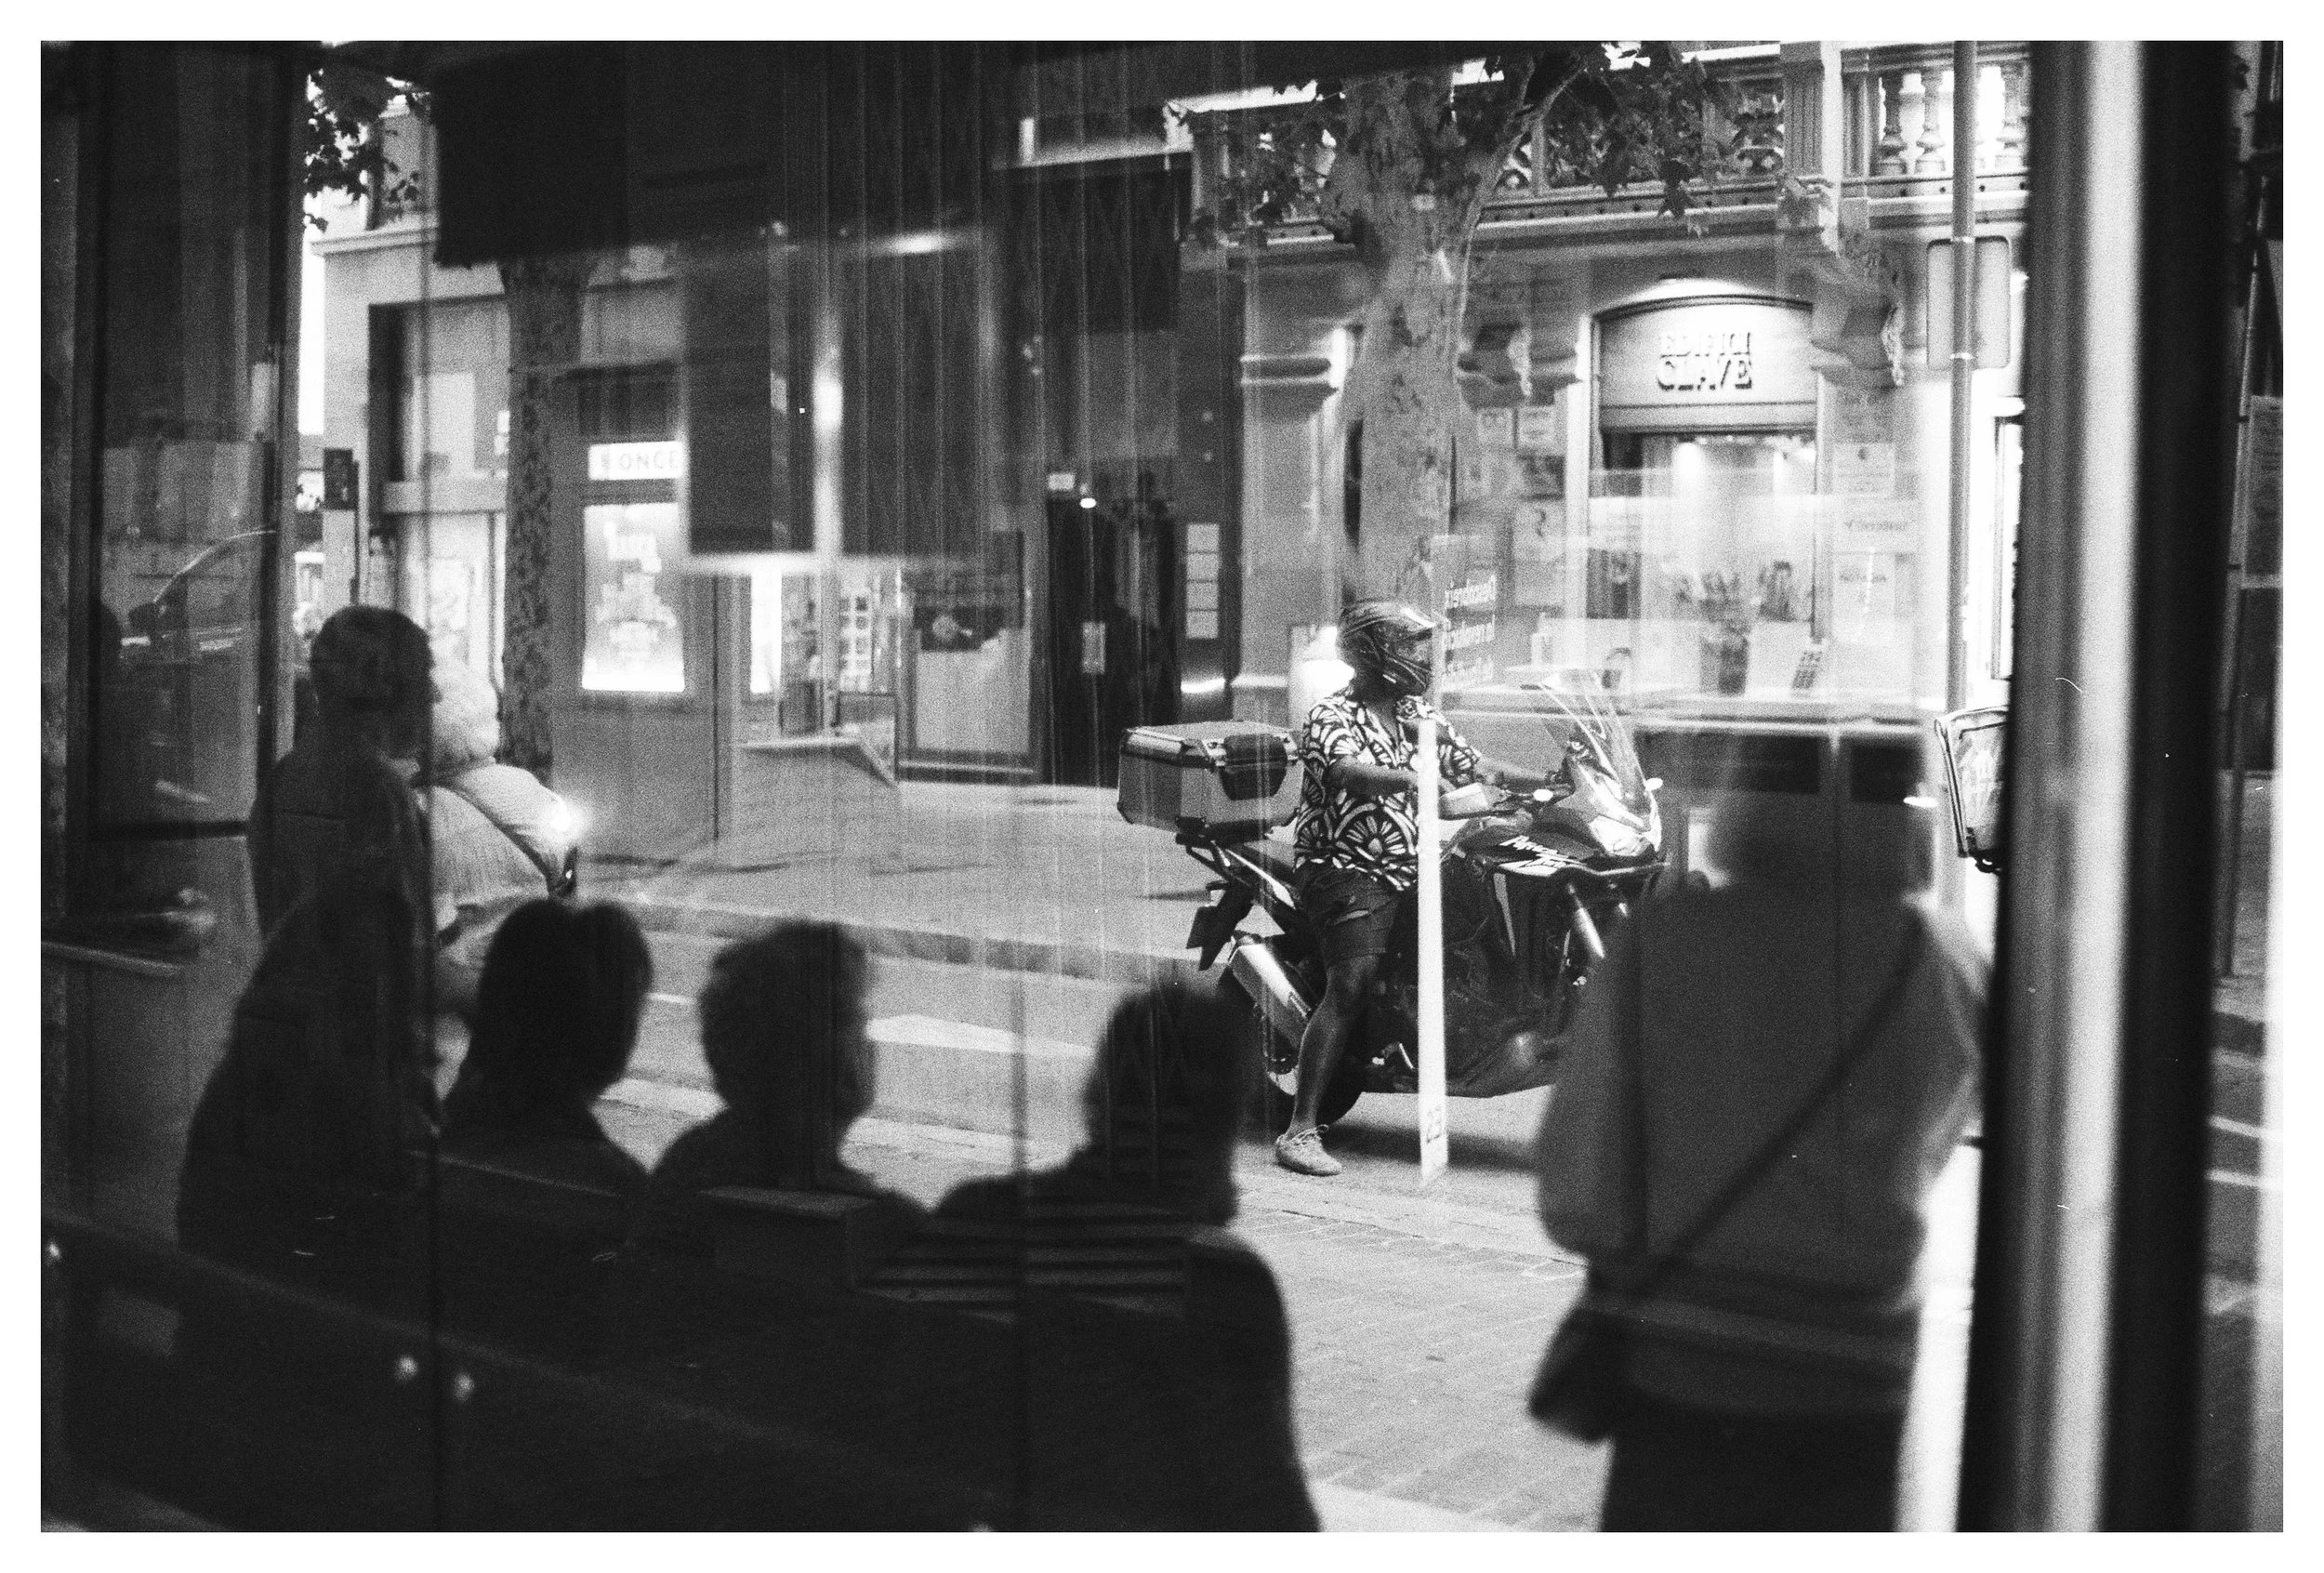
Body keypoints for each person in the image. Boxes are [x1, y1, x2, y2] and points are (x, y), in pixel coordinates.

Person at [1534, 778, 1986, 1531]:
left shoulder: (1669, 940)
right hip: (1859, 1371)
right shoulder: (1942, 959)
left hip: (1686, 1366)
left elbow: (1579, 1193)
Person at [918, 984, 1319, 1530]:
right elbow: (1272, 1519)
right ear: (1220, 1124)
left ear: (1099, 1097)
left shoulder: (977, 1220)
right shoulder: (1219, 1285)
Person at [178, 606, 440, 1307]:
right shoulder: (377, 795)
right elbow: (390, 958)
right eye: (425, 677)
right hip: (350, 1083)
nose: (436, 697)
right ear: (388, 690)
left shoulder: (289, 779)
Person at [1276, 600, 1547, 1176]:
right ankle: (1300, 1129)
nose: (1421, 658)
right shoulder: (1333, 715)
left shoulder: (1417, 712)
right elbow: (1346, 770)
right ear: (1373, 652)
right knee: (1351, 982)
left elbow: (1476, 766)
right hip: (1345, 866)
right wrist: (1410, 776)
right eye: (1408, 645)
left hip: (1413, 862)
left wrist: (1553, 778)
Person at [631, 921, 921, 1256]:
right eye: (859, 1024)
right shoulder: (887, 1231)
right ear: (839, 1067)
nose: (870, 1046)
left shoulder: (682, 1171)